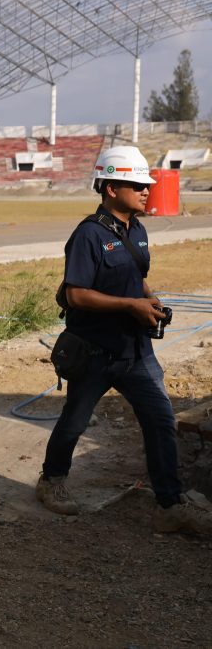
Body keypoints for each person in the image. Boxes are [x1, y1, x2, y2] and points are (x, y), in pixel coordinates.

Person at [36, 146, 212, 534]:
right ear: (112, 188)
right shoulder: (88, 235)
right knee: (74, 422)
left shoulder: (138, 230)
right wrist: (131, 305)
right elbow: (76, 295)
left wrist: (148, 297)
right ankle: (51, 480)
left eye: (147, 185)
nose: (147, 191)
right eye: (138, 185)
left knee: (161, 420)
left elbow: (136, 276)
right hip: (94, 351)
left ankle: (170, 504)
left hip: (136, 351)